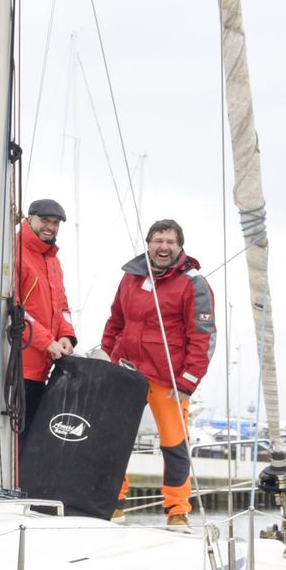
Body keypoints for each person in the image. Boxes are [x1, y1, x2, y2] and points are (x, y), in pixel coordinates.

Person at [101, 219, 216, 525]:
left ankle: (177, 512)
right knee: (115, 439)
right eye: (158, 240)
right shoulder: (131, 277)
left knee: (174, 445)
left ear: (180, 246)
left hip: (169, 379)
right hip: (127, 370)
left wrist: (188, 382)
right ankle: (114, 503)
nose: (164, 247)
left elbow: (202, 337)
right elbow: (116, 321)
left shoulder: (194, 284)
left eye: (170, 242)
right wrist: (107, 355)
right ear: (149, 243)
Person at [17, 198, 76, 439]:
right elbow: (13, 309)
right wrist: (45, 342)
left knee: (35, 438)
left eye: (55, 223)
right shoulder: (13, 252)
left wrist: (66, 336)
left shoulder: (53, 260)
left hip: (46, 366)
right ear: (30, 219)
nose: (50, 227)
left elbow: (61, 305)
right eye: (45, 221)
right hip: (20, 366)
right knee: (18, 437)